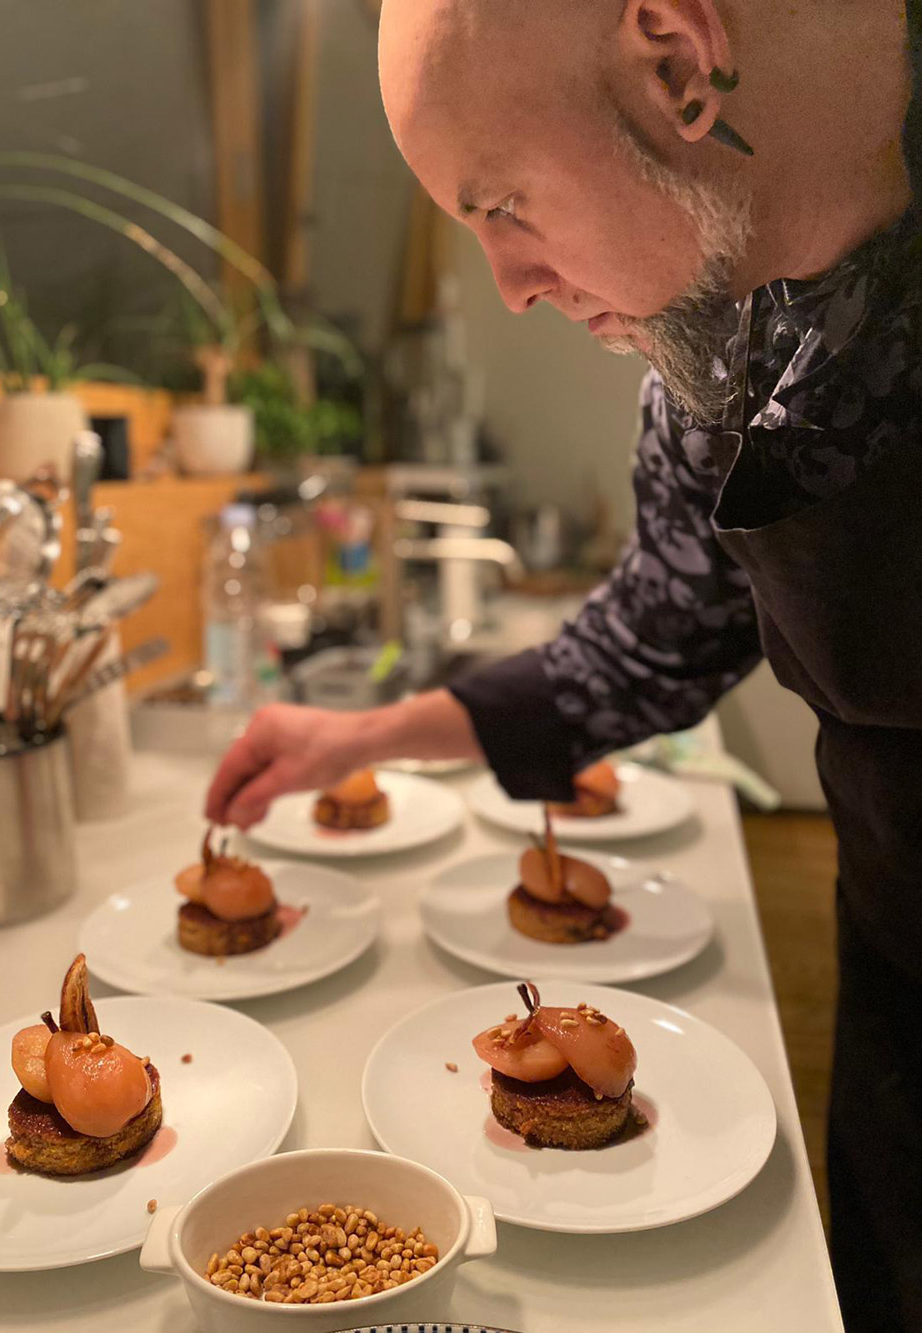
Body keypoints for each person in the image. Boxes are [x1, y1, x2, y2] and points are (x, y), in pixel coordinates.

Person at [206, 3, 922, 1327]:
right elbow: (655, 634)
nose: (512, 287)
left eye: (503, 205)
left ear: (673, 59)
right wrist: (361, 739)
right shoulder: (716, 345)